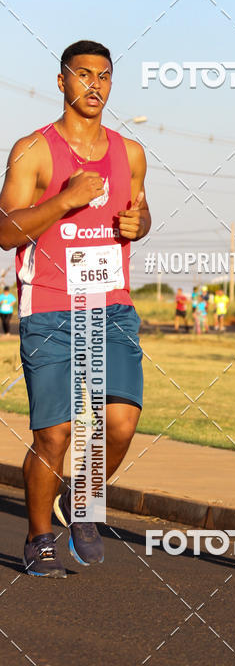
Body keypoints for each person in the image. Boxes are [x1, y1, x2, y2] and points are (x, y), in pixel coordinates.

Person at [0, 39, 151, 578]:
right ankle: (40, 537)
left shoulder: (129, 153)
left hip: (111, 307)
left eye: (104, 76)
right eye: (83, 74)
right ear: (61, 81)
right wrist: (64, 200)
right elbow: (4, 231)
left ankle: (83, 501)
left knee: (122, 421)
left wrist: (140, 224)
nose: (94, 84)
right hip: (49, 310)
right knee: (55, 435)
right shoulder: (32, 150)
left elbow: (140, 209)